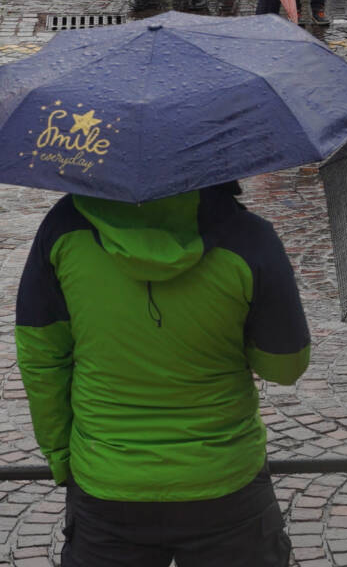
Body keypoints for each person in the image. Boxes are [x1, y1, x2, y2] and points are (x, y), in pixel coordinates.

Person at [16, 180, 310, 567]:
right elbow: (284, 366)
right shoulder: (250, 237)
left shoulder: (64, 227)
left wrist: (60, 456)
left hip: (107, 479)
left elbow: (41, 357)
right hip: (225, 480)